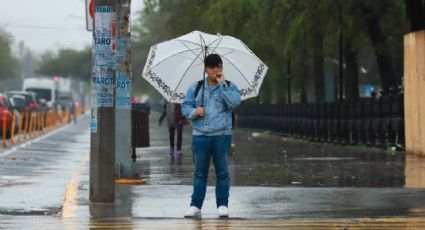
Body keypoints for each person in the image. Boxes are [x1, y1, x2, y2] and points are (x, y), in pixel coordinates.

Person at [182, 54, 241, 218]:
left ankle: (222, 205)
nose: (216, 70)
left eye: (219, 66)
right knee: (200, 173)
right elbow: (185, 106)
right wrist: (195, 112)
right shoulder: (196, 87)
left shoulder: (229, 86)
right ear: (206, 69)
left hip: (222, 136)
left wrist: (223, 85)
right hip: (200, 136)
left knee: (222, 172)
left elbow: (235, 103)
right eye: (213, 67)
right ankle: (195, 205)